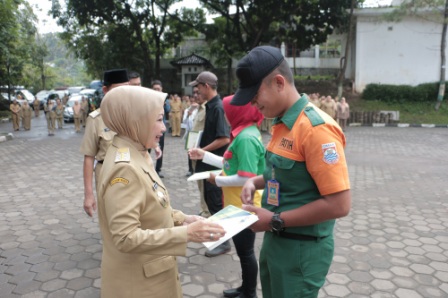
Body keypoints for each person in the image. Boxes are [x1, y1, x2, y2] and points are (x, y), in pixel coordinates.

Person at [231, 46, 351, 298]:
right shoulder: (283, 123)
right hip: (277, 240)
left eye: (255, 95)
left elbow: (340, 205)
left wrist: (274, 220)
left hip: (301, 249)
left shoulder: (316, 129)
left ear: (278, 83)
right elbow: (283, 174)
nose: (253, 103)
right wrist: (254, 181)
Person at [97, 85, 226, 298]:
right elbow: (125, 237)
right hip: (138, 285)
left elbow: (150, 202)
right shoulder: (125, 167)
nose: (164, 128)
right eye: (157, 120)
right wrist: (186, 234)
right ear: (135, 121)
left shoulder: (135, 151)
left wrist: (183, 219)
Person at [189, 95, 265, 298]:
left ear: (237, 112)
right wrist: (203, 155)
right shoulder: (243, 133)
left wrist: (218, 181)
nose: (226, 116)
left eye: (227, 112)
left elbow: (246, 177)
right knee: (242, 251)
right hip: (236, 203)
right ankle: (245, 288)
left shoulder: (246, 138)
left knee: (246, 252)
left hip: (245, 206)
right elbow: (230, 163)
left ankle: (249, 293)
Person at [188, 71, 231, 257]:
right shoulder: (210, 106)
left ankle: (223, 242)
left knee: (215, 204)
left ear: (206, 86)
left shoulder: (217, 108)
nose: (196, 90)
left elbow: (224, 138)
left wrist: (202, 151)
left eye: (198, 86)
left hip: (213, 164)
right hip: (207, 163)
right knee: (211, 202)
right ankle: (218, 238)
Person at [80, 69, 129, 217]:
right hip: (107, 174)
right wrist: (89, 195)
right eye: (117, 89)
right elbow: (89, 158)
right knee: (110, 219)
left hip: (132, 172)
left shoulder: (135, 114)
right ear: (105, 90)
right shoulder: (96, 119)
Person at [191, 85, 211, 218]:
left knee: (205, 184)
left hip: (203, 151)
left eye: (198, 92)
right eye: (194, 93)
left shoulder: (208, 109)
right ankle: (203, 207)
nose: (196, 95)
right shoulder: (197, 109)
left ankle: (207, 211)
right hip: (194, 151)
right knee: (199, 183)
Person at [150, 80, 170, 178]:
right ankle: (147, 169)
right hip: (149, 128)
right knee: (147, 148)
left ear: (162, 89)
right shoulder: (148, 100)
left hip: (160, 128)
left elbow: (168, 110)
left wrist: (163, 103)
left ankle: (158, 169)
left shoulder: (165, 100)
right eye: (155, 89)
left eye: (158, 89)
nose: (157, 91)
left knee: (160, 148)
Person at [183, 95, 198, 176]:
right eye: (191, 102)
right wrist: (188, 114)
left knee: (197, 151)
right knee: (190, 152)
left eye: (194, 102)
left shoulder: (199, 110)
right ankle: (190, 169)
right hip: (189, 133)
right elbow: (184, 122)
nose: (193, 104)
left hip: (197, 133)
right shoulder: (186, 110)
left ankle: (196, 169)